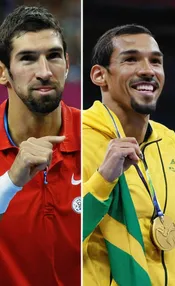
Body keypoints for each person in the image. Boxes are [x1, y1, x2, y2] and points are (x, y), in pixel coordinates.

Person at [82, 24, 175, 286]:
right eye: (130, 59)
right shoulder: (75, 138)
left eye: (155, 62)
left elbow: (169, 227)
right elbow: (56, 235)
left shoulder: (167, 139)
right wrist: (103, 179)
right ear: (99, 75)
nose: (148, 71)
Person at [0, 6, 80, 285]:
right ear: (2, 72)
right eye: (28, 59)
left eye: (54, 56)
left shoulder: (100, 135)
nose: (45, 72)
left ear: (68, 64)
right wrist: (11, 181)